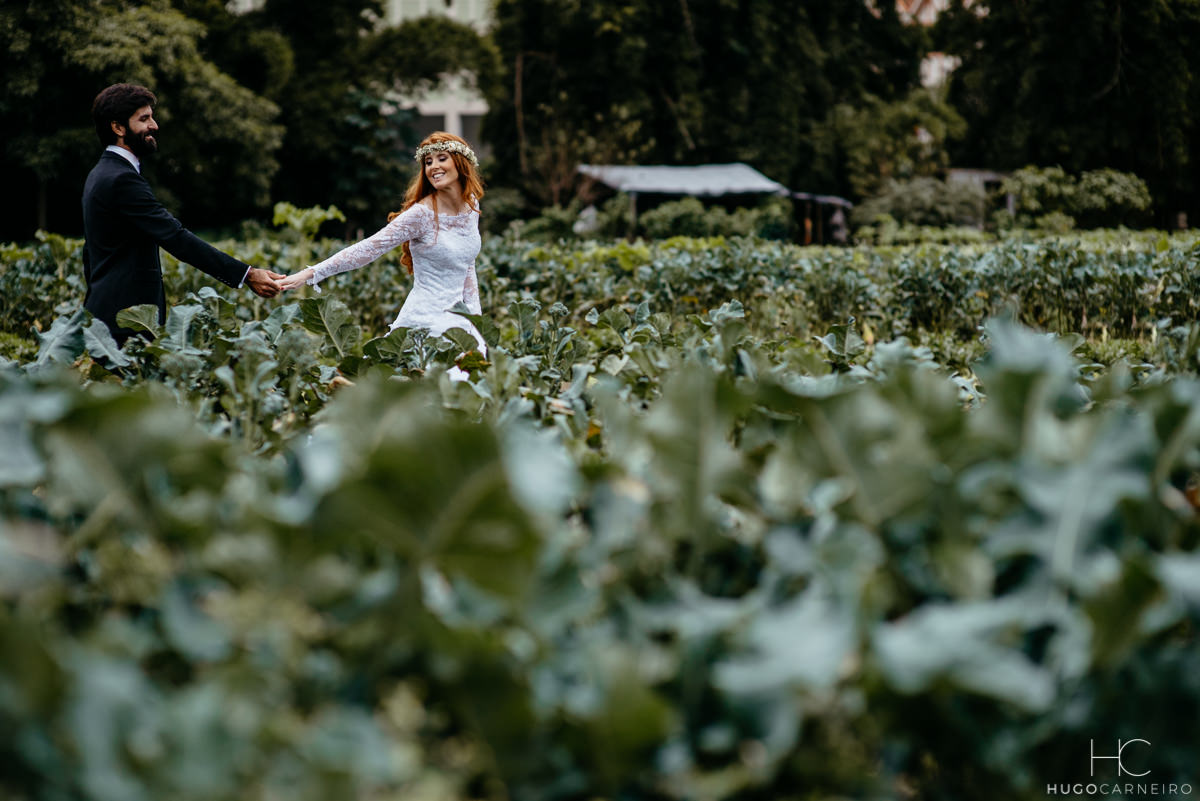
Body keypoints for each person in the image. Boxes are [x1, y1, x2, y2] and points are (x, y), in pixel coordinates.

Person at [82, 83, 284, 343]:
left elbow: (91, 252)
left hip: (107, 312)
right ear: (118, 128)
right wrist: (246, 274)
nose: (154, 125)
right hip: (125, 320)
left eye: (151, 116)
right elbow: (175, 237)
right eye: (144, 119)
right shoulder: (121, 179)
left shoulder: (100, 174)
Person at [279, 131, 487, 361]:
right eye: (428, 162)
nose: (433, 167)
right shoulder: (421, 214)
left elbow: (468, 267)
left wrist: (476, 326)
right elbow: (368, 249)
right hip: (426, 322)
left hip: (460, 321)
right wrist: (312, 272)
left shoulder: (471, 206)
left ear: (460, 162)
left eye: (441, 158)